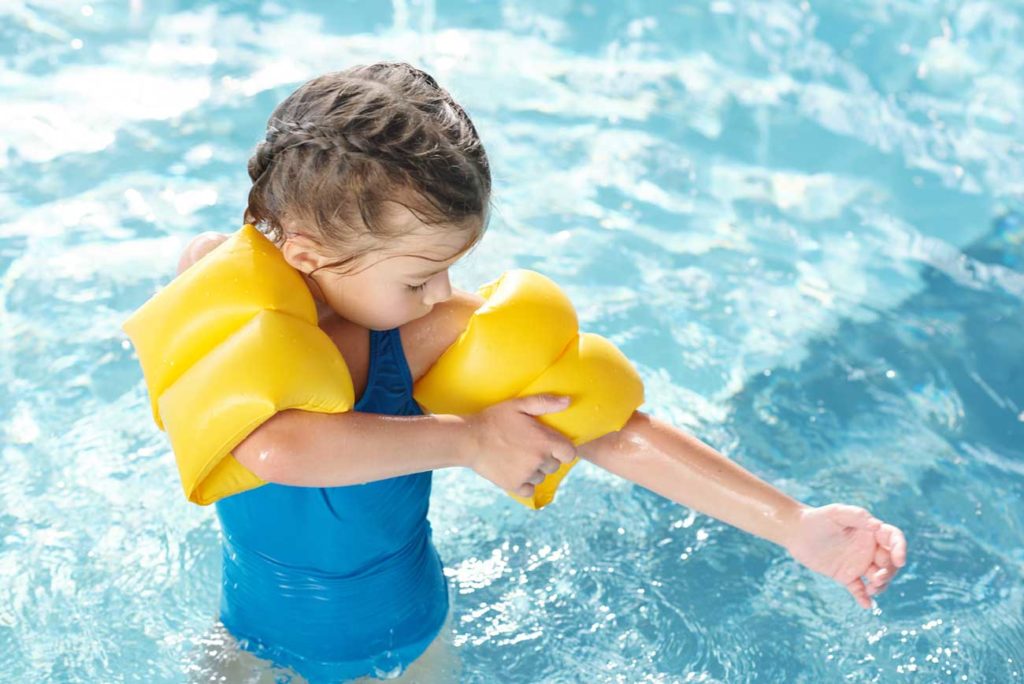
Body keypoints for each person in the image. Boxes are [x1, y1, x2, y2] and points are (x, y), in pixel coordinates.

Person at [176, 63, 907, 682]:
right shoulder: (219, 294)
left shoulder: (429, 333)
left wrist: (795, 525)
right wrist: (467, 440)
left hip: (408, 652)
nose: (441, 291)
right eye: (419, 276)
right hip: (249, 642)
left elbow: (606, 427)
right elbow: (271, 447)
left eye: (449, 268)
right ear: (305, 255)